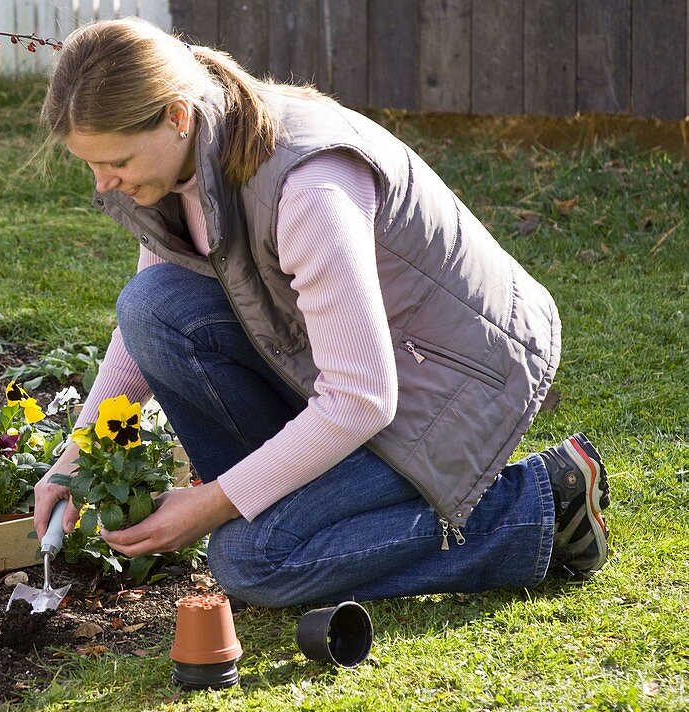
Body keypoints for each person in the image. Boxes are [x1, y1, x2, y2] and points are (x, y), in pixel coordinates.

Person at [32, 17, 610, 608]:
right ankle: (295, 510)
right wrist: (75, 459)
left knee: (251, 562)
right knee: (151, 307)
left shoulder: (307, 185)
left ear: (177, 117)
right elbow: (145, 328)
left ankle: (541, 504)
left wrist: (211, 505)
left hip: (453, 381)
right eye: (91, 165)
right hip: (347, 371)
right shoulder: (179, 168)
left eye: (117, 162)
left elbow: (362, 398)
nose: (103, 184)